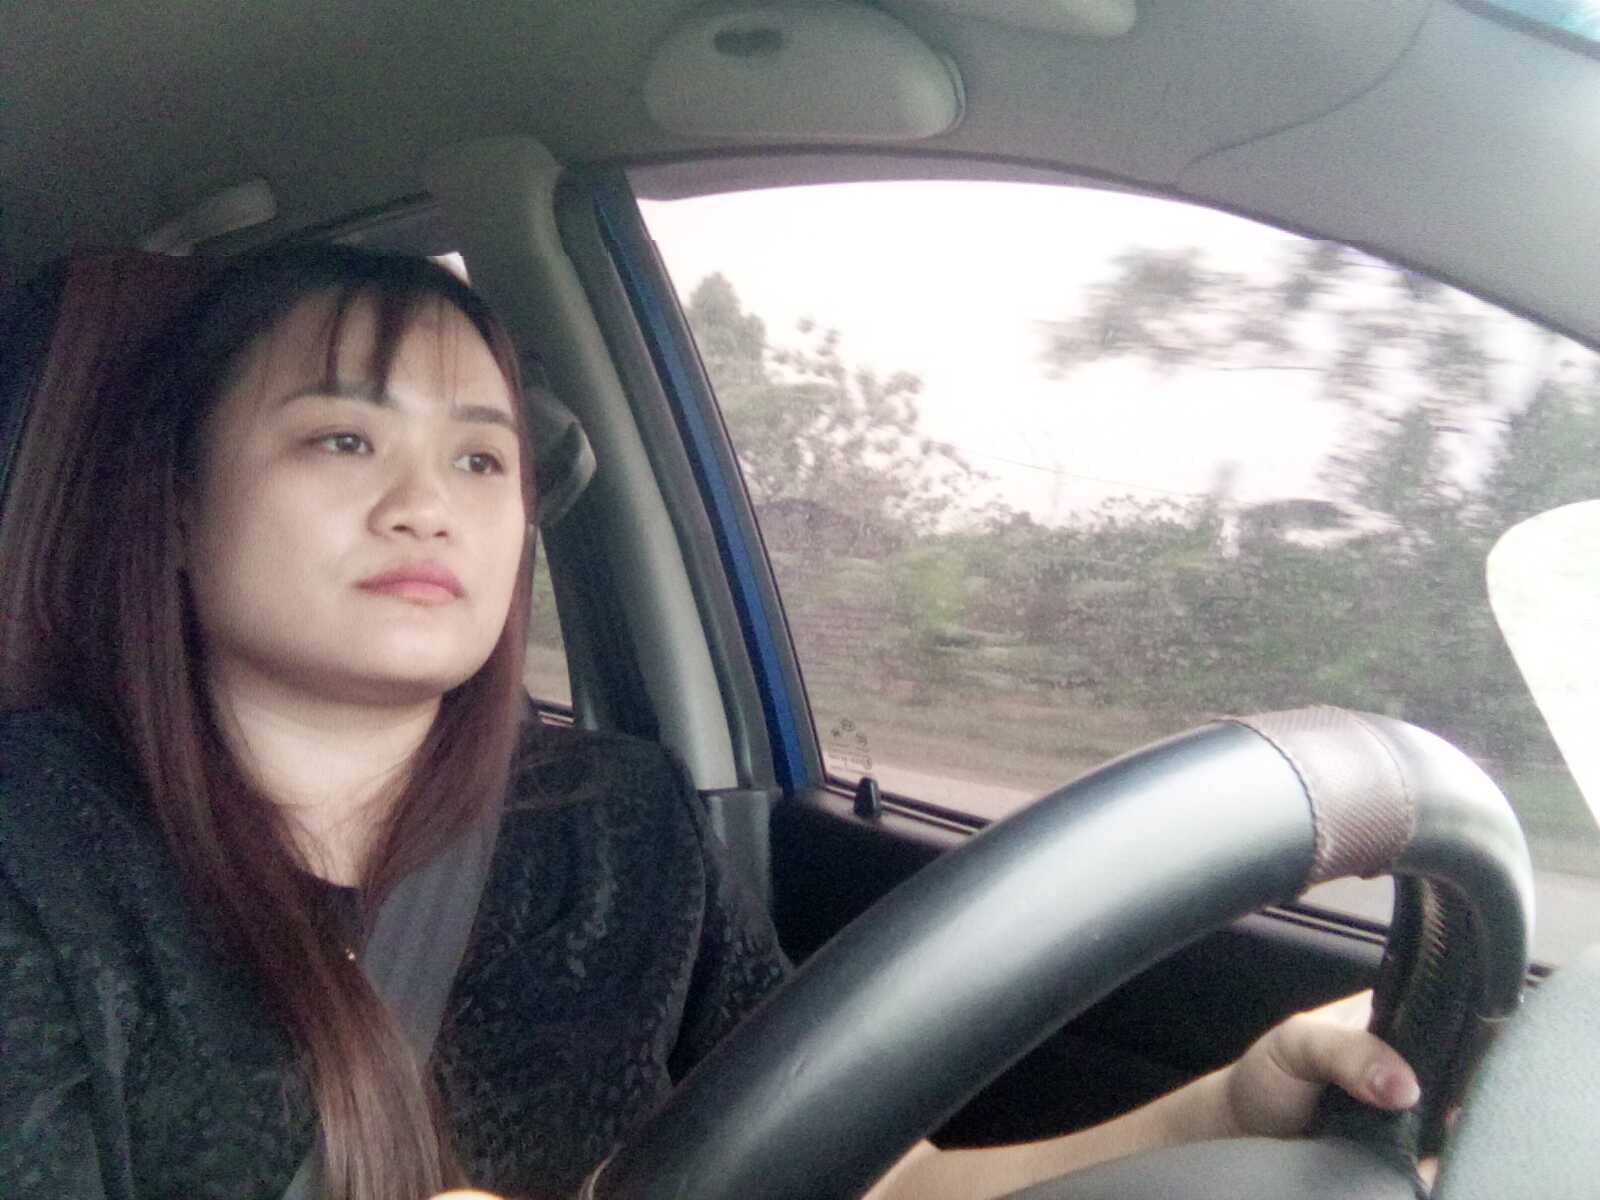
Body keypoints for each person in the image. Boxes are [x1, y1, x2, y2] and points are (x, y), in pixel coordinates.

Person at [0, 245, 1422, 1200]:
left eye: (482, 459)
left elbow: (868, 1180)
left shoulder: (622, 822)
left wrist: (1220, 1118)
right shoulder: (37, 851)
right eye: (342, 438)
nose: (426, 503)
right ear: (176, 510)